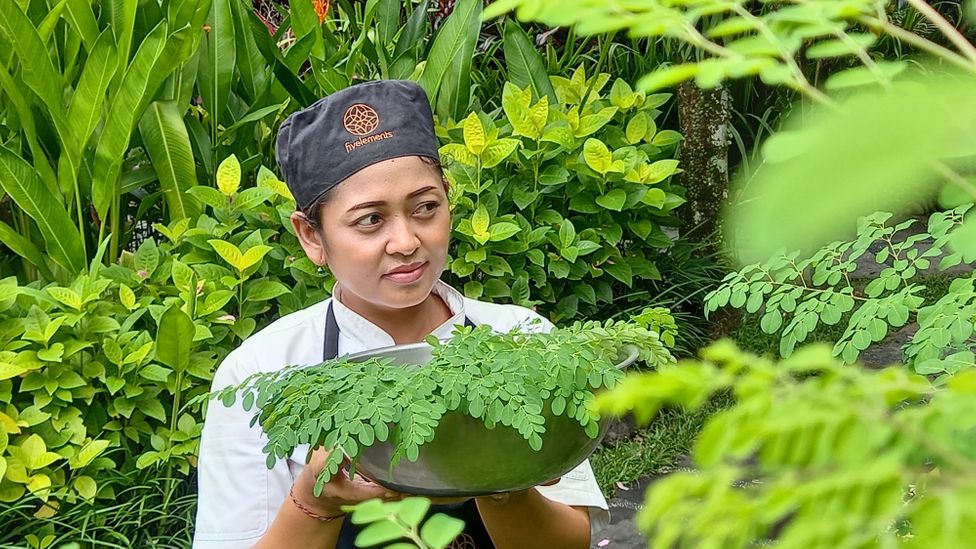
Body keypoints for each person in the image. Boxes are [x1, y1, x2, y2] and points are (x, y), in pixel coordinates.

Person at [192, 80, 609, 548]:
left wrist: (505, 479)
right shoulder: (260, 371)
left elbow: (569, 541)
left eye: (426, 207)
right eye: (370, 219)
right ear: (311, 236)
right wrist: (315, 504)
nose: (407, 242)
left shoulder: (524, 338)